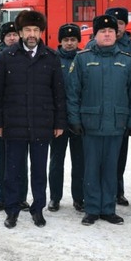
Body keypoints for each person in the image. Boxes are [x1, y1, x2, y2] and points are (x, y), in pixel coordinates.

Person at [0, 11, 66, 229]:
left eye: (35, 30)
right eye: (27, 30)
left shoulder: (51, 57)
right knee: (12, 171)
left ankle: (38, 209)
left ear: (41, 33)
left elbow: (59, 94)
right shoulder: (7, 57)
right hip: (14, 124)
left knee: (39, 172)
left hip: (42, 124)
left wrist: (59, 123)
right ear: (21, 33)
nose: (31, 34)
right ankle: (12, 210)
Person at [67, 15, 131, 226]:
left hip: (117, 124)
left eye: (110, 31)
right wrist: (74, 120)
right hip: (90, 125)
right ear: (95, 35)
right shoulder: (82, 59)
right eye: (102, 31)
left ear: (116, 35)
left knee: (111, 169)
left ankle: (108, 208)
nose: (107, 34)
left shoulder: (127, 60)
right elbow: (73, 93)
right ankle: (92, 209)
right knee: (91, 168)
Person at [87, 8, 131, 207]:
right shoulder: (87, 52)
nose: (112, 31)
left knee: (116, 161)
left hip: (119, 117)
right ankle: (93, 203)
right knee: (93, 165)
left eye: (119, 24)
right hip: (94, 118)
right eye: (105, 29)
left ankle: (115, 196)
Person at [0, 21, 28, 212]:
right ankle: (1, 197)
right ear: (2, 38)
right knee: (1, 159)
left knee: (21, 159)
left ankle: (21, 197)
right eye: (8, 35)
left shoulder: (28, 56)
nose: (11, 38)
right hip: (2, 117)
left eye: (14, 34)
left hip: (23, 117)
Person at [48, 23, 85, 213]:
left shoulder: (84, 59)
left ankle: (79, 198)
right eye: (65, 40)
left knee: (80, 162)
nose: (69, 43)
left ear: (78, 41)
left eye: (73, 40)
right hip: (58, 120)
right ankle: (55, 197)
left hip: (79, 120)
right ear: (60, 41)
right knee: (56, 161)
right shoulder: (52, 59)